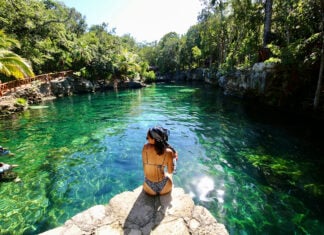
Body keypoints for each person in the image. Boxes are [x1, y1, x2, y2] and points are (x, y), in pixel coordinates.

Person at [142, 126, 178, 196]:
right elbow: (170, 171)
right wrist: (173, 159)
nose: (146, 139)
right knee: (168, 174)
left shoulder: (145, 147)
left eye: (148, 138)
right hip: (164, 187)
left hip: (148, 188)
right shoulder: (168, 152)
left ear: (154, 139)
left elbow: (144, 169)